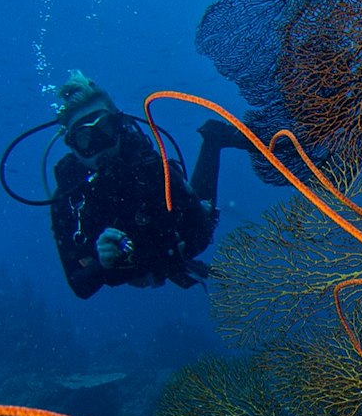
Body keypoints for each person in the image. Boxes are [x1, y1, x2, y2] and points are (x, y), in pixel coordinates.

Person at [48, 72, 247, 299]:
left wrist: (166, 248)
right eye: (85, 138)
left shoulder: (147, 166)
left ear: (119, 127)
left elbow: (199, 232)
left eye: (105, 129)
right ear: (73, 147)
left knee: (205, 214)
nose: (99, 145)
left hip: (171, 242)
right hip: (145, 265)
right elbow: (80, 286)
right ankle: (212, 140)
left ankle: (212, 140)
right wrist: (101, 263)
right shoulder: (69, 200)